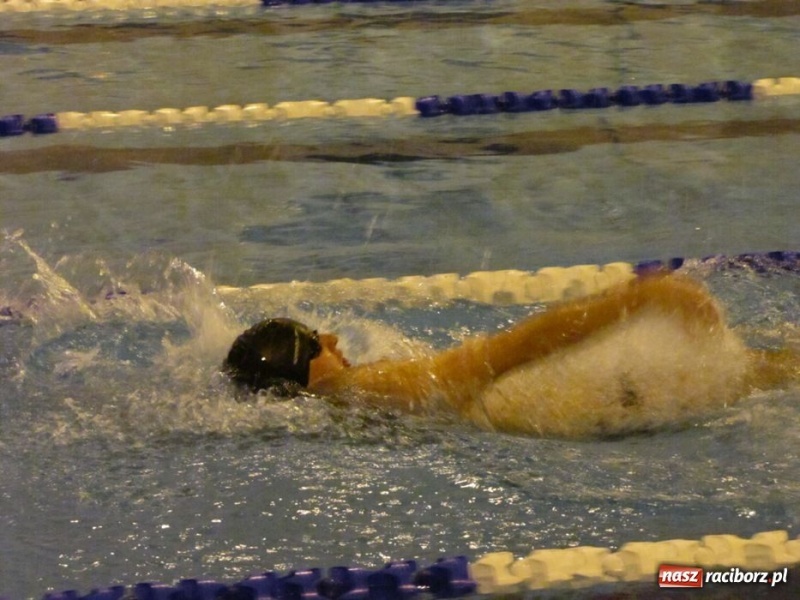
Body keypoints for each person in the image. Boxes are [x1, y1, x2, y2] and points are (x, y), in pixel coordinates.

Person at [223, 273, 798, 438]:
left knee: (771, 365)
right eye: (315, 343)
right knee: (769, 369)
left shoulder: (348, 406)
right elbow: (504, 352)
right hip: (606, 395)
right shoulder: (357, 389)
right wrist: (633, 300)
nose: (334, 341)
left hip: (581, 403)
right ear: (304, 370)